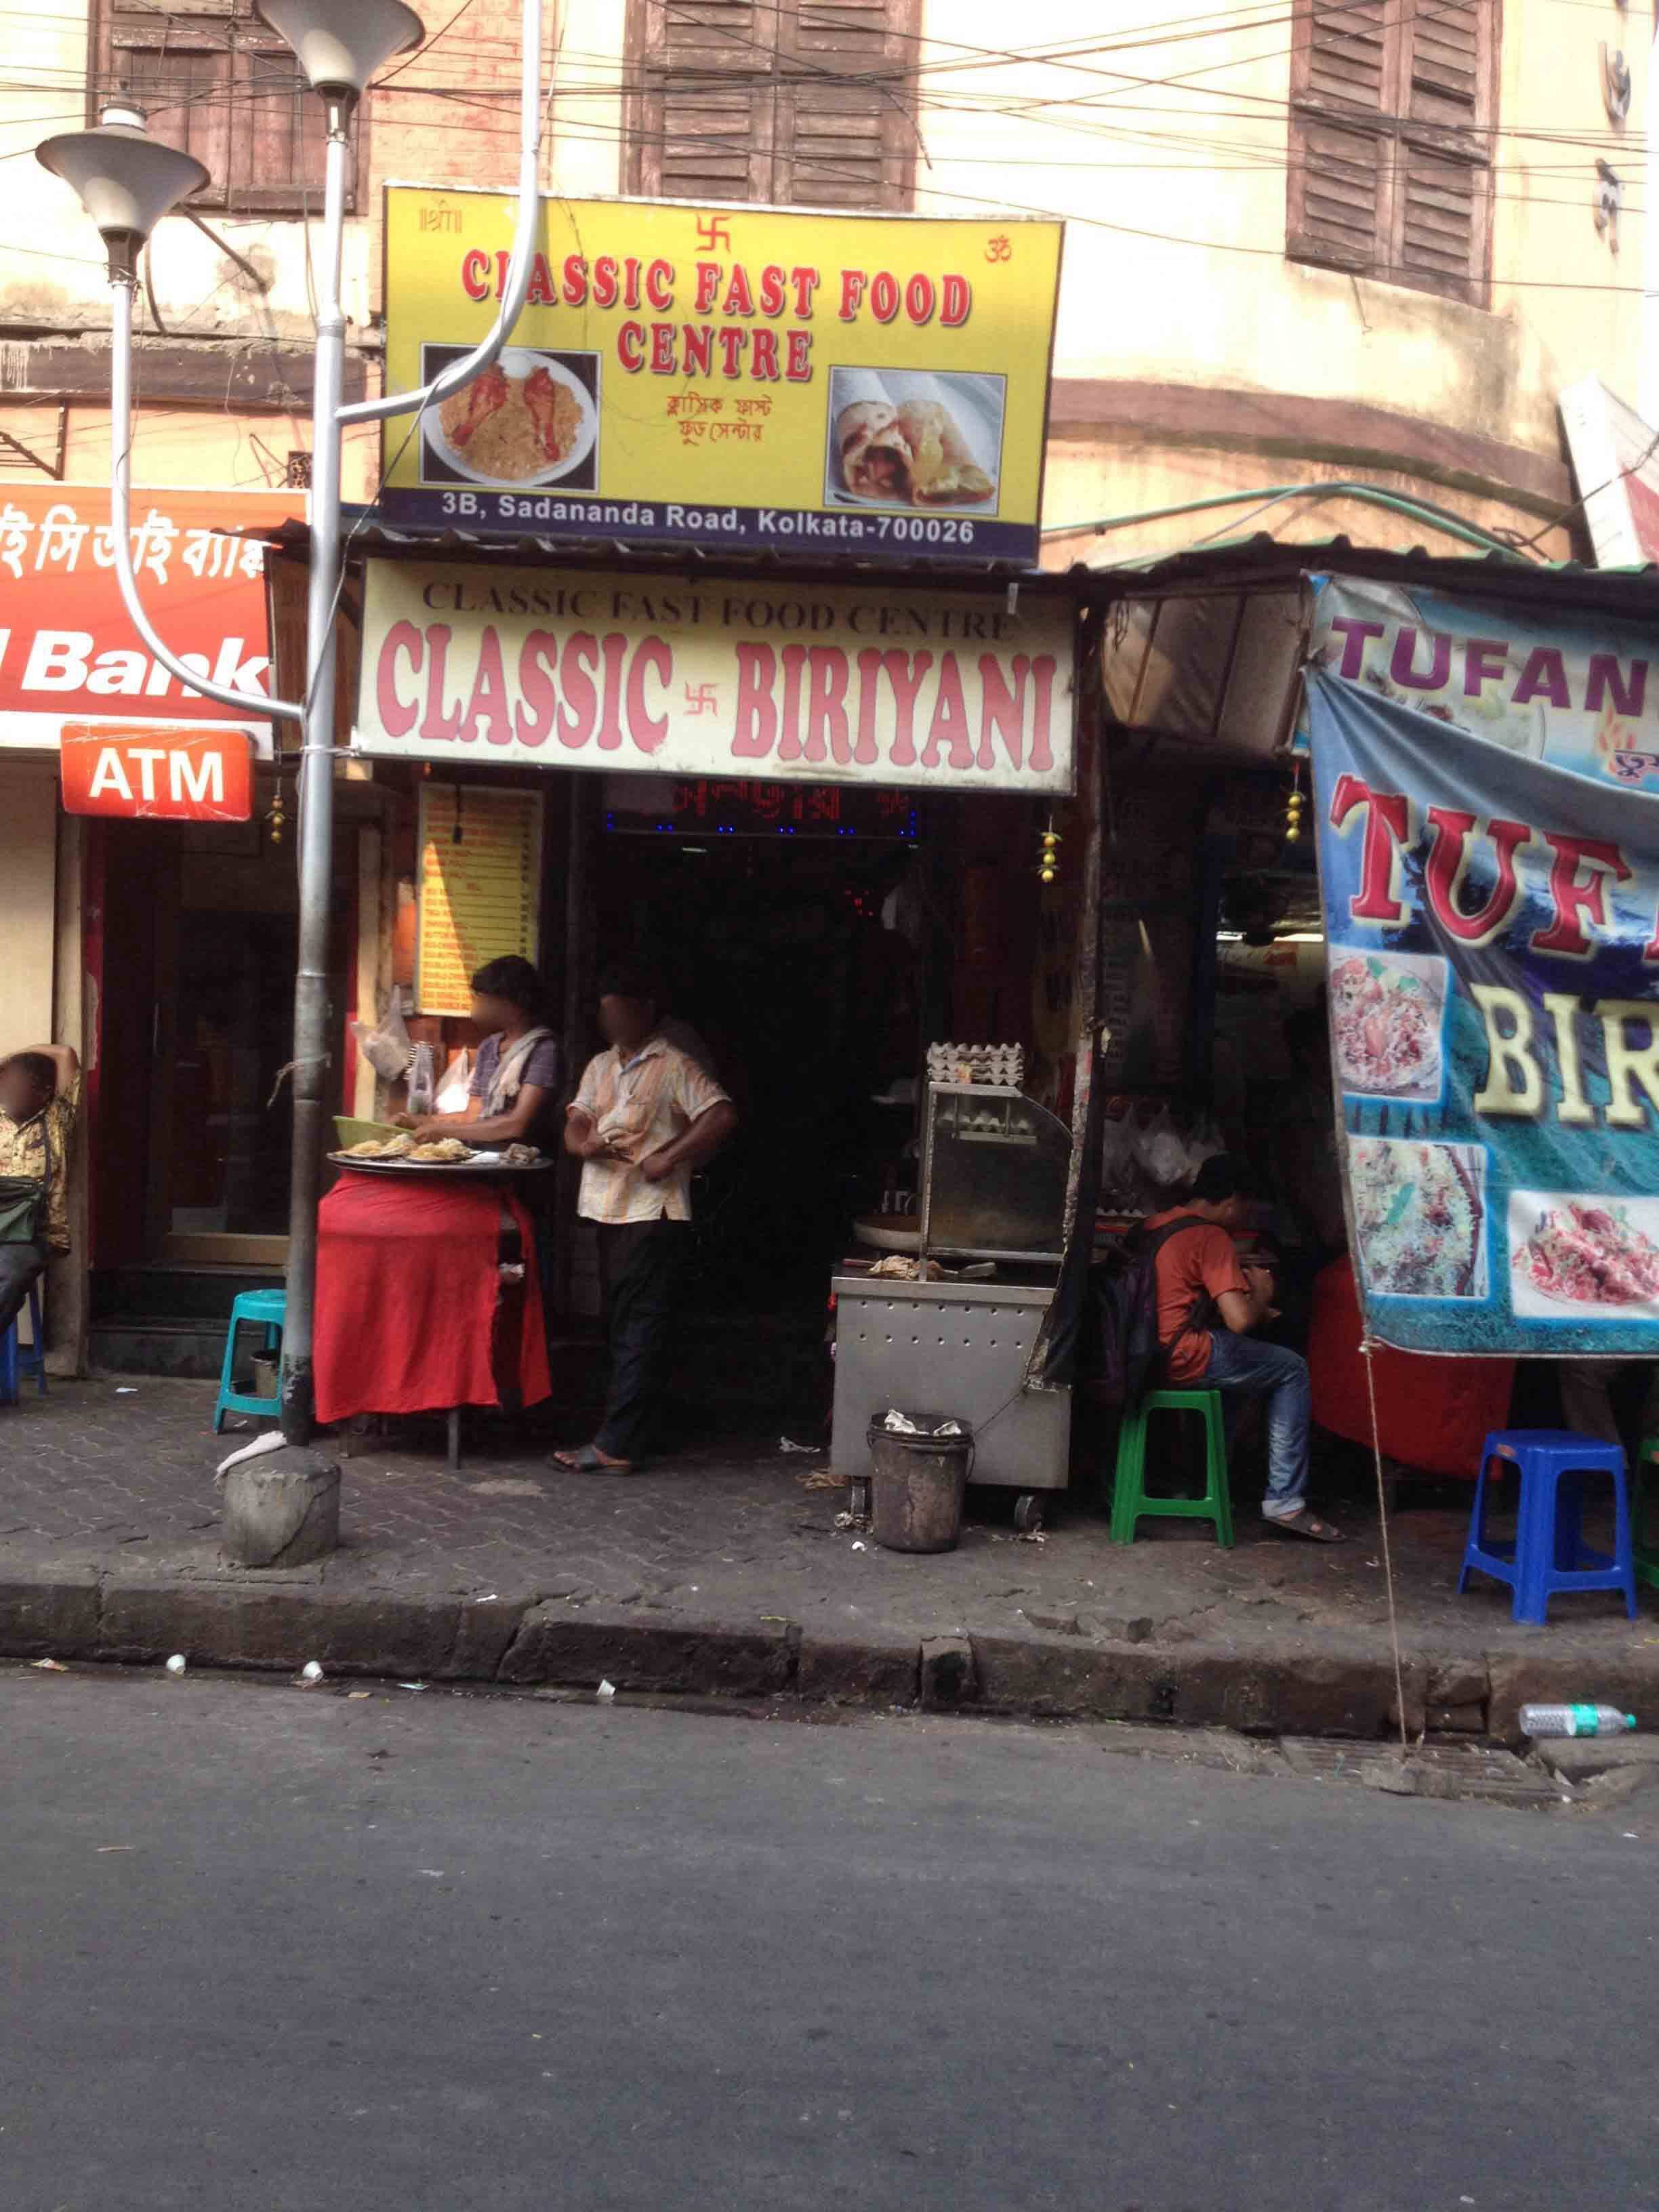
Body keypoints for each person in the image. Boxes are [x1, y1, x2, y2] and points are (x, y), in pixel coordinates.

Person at [555, 970, 737, 1473]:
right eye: (604, 1013)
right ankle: (636, 1430)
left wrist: (669, 1157)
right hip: (607, 1207)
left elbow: (719, 1114)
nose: (610, 1021)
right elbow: (578, 1119)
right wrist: (582, 1142)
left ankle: (618, 1443)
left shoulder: (674, 1064)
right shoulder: (600, 1065)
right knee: (624, 1323)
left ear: (646, 1010)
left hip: (653, 1211)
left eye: (619, 1012)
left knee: (640, 1324)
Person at [1145, 1152, 1344, 1542]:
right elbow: (1240, 1320)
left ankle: (1199, 1479)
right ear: (1233, 1200)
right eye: (1245, 1208)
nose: (1245, 1218)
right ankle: (1285, 1502)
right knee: (1290, 1368)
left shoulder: (1156, 1223)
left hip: (1143, 1354)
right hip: (1184, 1356)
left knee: (1246, 1369)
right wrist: (1262, 1295)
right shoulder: (1211, 1236)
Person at [399, 956, 560, 1149]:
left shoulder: (543, 1049)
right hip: (481, 1158)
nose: (479, 1006)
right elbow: (473, 1117)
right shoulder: (489, 1047)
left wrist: (441, 1130)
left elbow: (516, 1125)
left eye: (485, 999)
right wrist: (415, 1122)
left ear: (512, 1003)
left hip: (520, 1165)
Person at [0, 1041, 80, 1337]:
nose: (8, 1093)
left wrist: (10, 1057)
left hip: (31, 1235)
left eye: (18, 1086)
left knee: (12, 1271)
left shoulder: (57, 1120)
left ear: (45, 1093)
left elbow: (65, 1055)